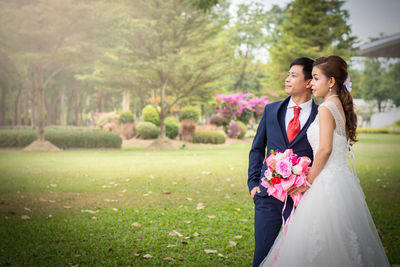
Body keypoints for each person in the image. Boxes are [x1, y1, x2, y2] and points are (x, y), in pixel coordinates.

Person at [259, 56, 390, 266]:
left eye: (316, 78)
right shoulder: (338, 105)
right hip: (341, 181)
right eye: (310, 78)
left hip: (324, 182)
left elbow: (325, 149)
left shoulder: (325, 108)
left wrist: (307, 182)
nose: (311, 83)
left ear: (331, 82)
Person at [248, 57, 318, 267]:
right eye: (288, 74)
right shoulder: (271, 110)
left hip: (302, 198)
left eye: (293, 75)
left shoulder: (321, 115)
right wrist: (253, 185)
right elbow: (257, 148)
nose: (287, 79)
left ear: (308, 82)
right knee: (262, 254)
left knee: (296, 256)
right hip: (267, 195)